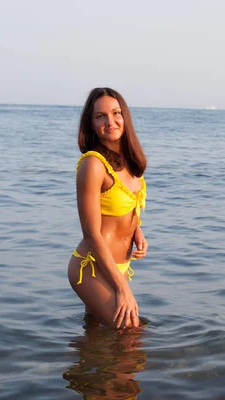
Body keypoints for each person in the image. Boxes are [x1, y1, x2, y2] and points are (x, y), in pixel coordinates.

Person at [68, 87, 148, 329]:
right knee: (131, 335)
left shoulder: (130, 163)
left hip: (119, 265)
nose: (110, 121)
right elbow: (91, 233)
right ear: (91, 124)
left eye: (115, 113)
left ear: (125, 117)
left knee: (96, 337)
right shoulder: (93, 165)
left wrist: (136, 231)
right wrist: (123, 288)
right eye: (100, 116)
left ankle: (85, 366)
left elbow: (120, 209)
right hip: (92, 268)